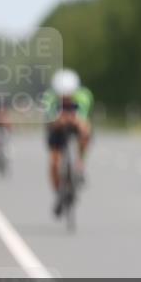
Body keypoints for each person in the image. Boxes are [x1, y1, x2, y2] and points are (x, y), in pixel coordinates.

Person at [43, 69, 93, 216]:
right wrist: (60, 121)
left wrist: (75, 122)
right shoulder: (49, 98)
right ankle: (59, 193)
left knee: (85, 132)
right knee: (54, 163)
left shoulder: (84, 96)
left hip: (76, 126)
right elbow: (51, 121)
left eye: (69, 96)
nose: (66, 99)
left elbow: (82, 120)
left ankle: (80, 163)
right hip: (57, 129)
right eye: (63, 97)